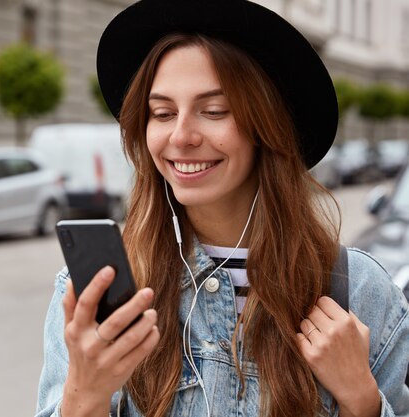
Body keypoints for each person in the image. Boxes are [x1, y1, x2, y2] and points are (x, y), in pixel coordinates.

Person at [36, 1, 409, 417]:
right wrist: (83, 395)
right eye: (162, 113)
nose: (181, 136)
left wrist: (362, 400)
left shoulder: (359, 292)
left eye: (213, 111)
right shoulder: (96, 292)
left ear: (265, 126)